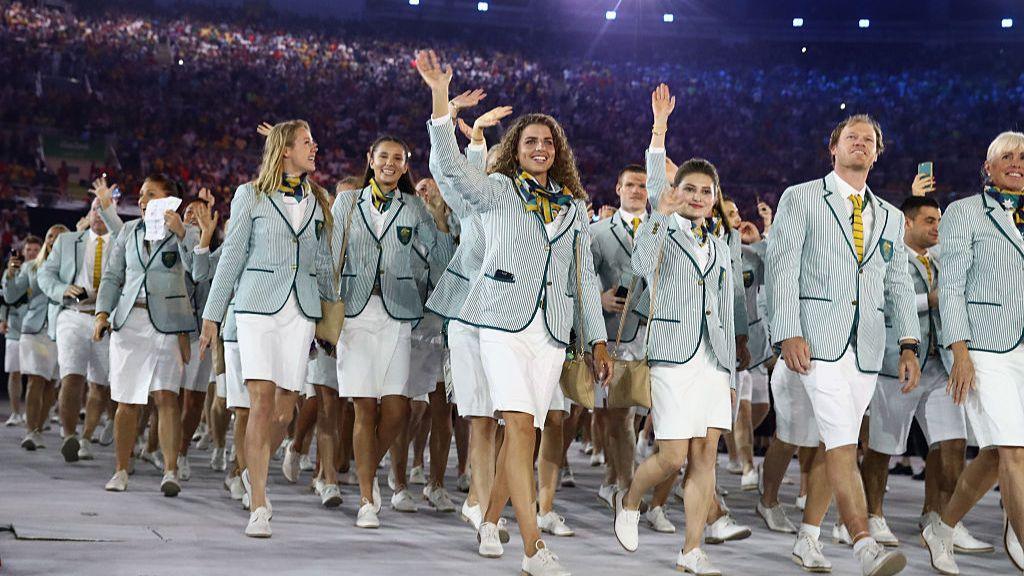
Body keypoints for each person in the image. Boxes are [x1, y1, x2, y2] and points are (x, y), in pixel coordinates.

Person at [420, 49, 611, 576]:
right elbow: (452, 173)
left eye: (548, 142)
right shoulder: (498, 190)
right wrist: (441, 100)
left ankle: (490, 518)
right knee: (521, 430)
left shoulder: (573, 207)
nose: (541, 148)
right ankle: (533, 549)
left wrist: (595, 339)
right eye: (531, 141)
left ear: (559, 151)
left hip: (550, 331)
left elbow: (583, 280)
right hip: (499, 324)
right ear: (516, 150)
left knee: (522, 435)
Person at [765, 113, 920, 576]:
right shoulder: (802, 197)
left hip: (867, 348)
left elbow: (897, 283)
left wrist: (908, 345)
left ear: (877, 152)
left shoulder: (890, 215)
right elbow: (782, 267)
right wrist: (787, 330)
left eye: (867, 140)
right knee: (840, 443)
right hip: (814, 342)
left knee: (839, 440)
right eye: (850, 137)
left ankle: (807, 538)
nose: (859, 143)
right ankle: (862, 541)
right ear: (832, 148)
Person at [612, 84, 738, 576]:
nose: (699, 197)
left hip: (713, 361)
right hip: (671, 354)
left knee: (706, 455)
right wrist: (659, 130)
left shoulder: (721, 242)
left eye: (706, 191)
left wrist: (730, 363)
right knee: (671, 456)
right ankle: (630, 498)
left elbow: (727, 306)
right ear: (674, 192)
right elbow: (640, 266)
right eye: (690, 189)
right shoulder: (661, 229)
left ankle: (691, 549)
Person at [199, 120, 336, 537]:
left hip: (301, 311)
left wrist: (332, 322)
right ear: (286, 150)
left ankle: (248, 468)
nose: (315, 147)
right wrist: (212, 314)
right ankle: (259, 500)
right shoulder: (250, 195)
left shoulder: (318, 199)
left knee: (285, 407)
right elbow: (232, 257)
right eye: (307, 141)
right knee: (259, 402)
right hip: (257, 308)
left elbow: (324, 263)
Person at [331, 134, 452, 529]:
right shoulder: (348, 202)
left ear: (405, 164)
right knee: (364, 407)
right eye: (383, 156)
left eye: (397, 158)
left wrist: (436, 218)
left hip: (400, 315)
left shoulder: (415, 206)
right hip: (355, 315)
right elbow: (330, 256)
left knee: (398, 410)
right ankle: (367, 497)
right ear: (370, 158)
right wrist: (324, 311)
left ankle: (366, 469)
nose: (389, 163)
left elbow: (439, 260)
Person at [859, 195, 990, 553]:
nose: (937, 227)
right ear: (908, 223)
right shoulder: (888, 256)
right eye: (929, 220)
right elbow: (879, 301)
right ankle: (874, 515)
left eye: (939, 221)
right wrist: (927, 302)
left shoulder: (943, 261)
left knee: (951, 444)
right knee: (883, 448)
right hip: (896, 366)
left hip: (939, 366)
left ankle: (940, 518)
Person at [922, 131, 1024, 575]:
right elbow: (953, 288)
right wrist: (959, 349)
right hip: (983, 348)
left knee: (995, 454)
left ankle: (942, 529)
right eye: (1007, 156)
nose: (1017, 162)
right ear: (989, 167)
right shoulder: (965, 212)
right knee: (1016, 453)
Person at [96, 174, 197, 496]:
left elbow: (200, 274)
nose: (141, 200)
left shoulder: (188, 233)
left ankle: (170, 471)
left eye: (150, 194)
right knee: (126, 401)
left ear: (170, 201)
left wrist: (182, 234)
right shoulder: (128, 231)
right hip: (129, 322)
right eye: (141, 194)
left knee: (167, 397)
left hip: (168, 324)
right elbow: (112, 276)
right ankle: (121, 470)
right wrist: (101, 313)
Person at [4, 232, 62, 451]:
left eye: (59, 237)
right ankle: (30, 431)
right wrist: (9, 275)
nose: (54, 240)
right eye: (51, 236)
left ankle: (38, 427)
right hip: (34, 328)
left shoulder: (69, 267)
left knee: (50, 383)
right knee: (36, 379)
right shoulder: (31, 267)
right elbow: (10, 297)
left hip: (58, 328)